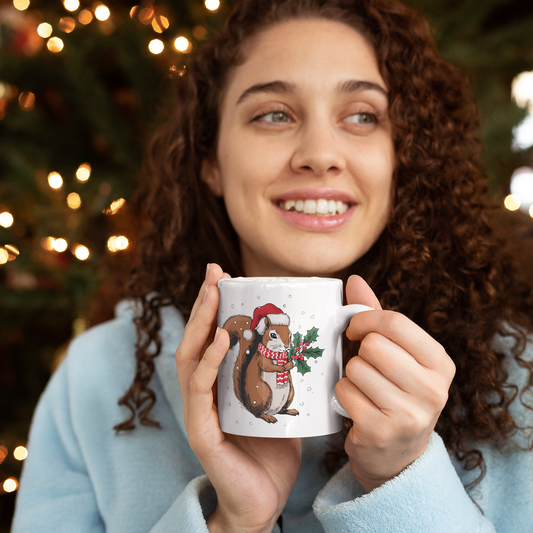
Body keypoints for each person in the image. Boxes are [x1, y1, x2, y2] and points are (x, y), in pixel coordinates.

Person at [12, 0, 533, 531]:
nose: (320, 153)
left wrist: (402, 479)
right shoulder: (99, 377)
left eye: (362, 116)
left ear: (403, 158)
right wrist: (234, 522)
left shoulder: (511, 379)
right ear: (210, 160)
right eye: (274, 114)